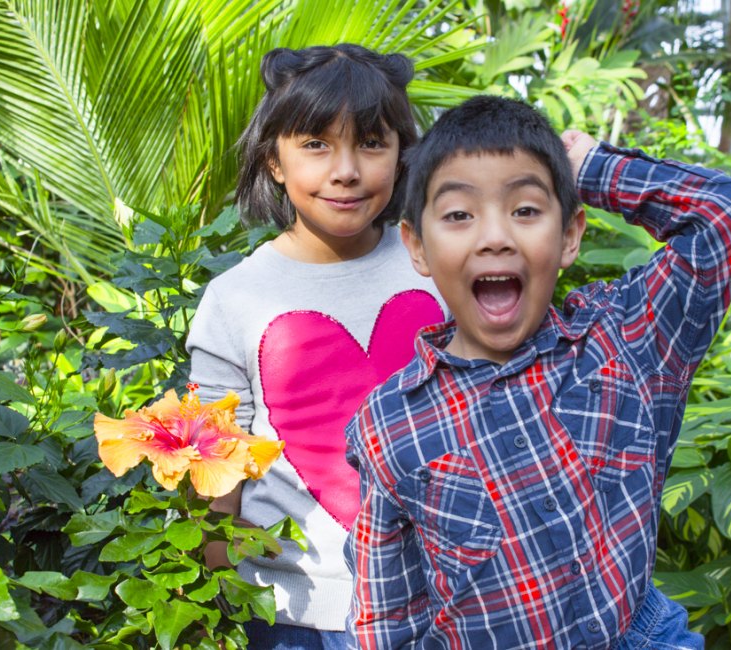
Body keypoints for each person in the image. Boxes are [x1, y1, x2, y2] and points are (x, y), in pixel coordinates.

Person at [345, 95, 731, 648]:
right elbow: (387, 617)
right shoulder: (391, 424)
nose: (495, 236)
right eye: (458, 215)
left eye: (525, 209)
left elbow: (727, 215)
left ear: (569, 235)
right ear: (417, 247)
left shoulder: (627, 339)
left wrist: (591, 168)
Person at [186, 44, 445, 648]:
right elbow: (216, 462)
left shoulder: (438, 263)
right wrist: (209, 588)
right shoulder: (234, 298)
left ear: (404, 155)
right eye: (315, 144)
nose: (346, 170)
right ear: (273, 161)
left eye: (372, 143)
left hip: (442, 600)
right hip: (291, 614)